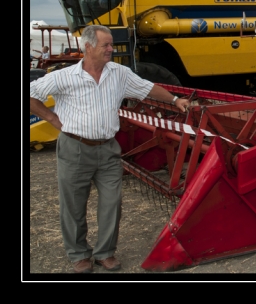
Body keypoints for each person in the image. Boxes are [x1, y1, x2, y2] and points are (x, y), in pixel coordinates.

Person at [29, 25, 190, 273]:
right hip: (75, 148)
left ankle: (105, 252)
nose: (110, 49)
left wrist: (174, 100)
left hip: (108, 149)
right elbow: (29, 94)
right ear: (88, 47)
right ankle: (79, 254)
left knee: (112, 202)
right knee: (73, 204)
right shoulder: (64, 76)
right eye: (106, 45)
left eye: (111, 44)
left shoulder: (119, 73)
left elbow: (147, 88)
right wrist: (51, 118)